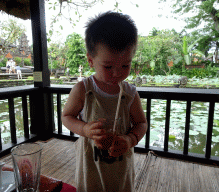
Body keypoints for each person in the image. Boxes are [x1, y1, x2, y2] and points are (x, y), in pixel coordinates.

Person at [61, 11, 147, 192]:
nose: (117, 73)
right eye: (108, 67)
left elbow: (141, 123)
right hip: (91, 169)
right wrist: (84, 129)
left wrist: (130, 139)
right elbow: (67, 117)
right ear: (91, 60)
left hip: (121, 169)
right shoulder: (83, 90)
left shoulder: (130, 94)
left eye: (125, 65)